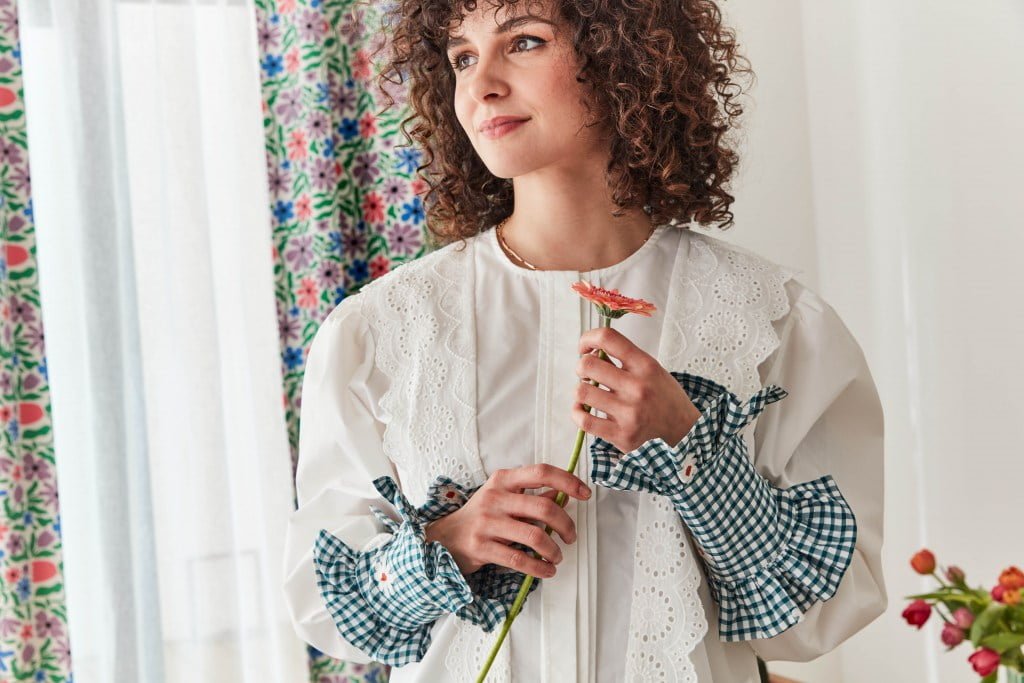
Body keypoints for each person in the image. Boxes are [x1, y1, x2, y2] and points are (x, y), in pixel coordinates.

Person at [281, 0, 888, 680]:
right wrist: (445, 543)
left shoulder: (773, 322)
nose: (481, 85)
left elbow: (827, 611)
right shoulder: (379, 331)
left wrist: (695, 451)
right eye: (462, 57)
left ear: (621, 52)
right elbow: (327, 607)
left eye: (525, 42)